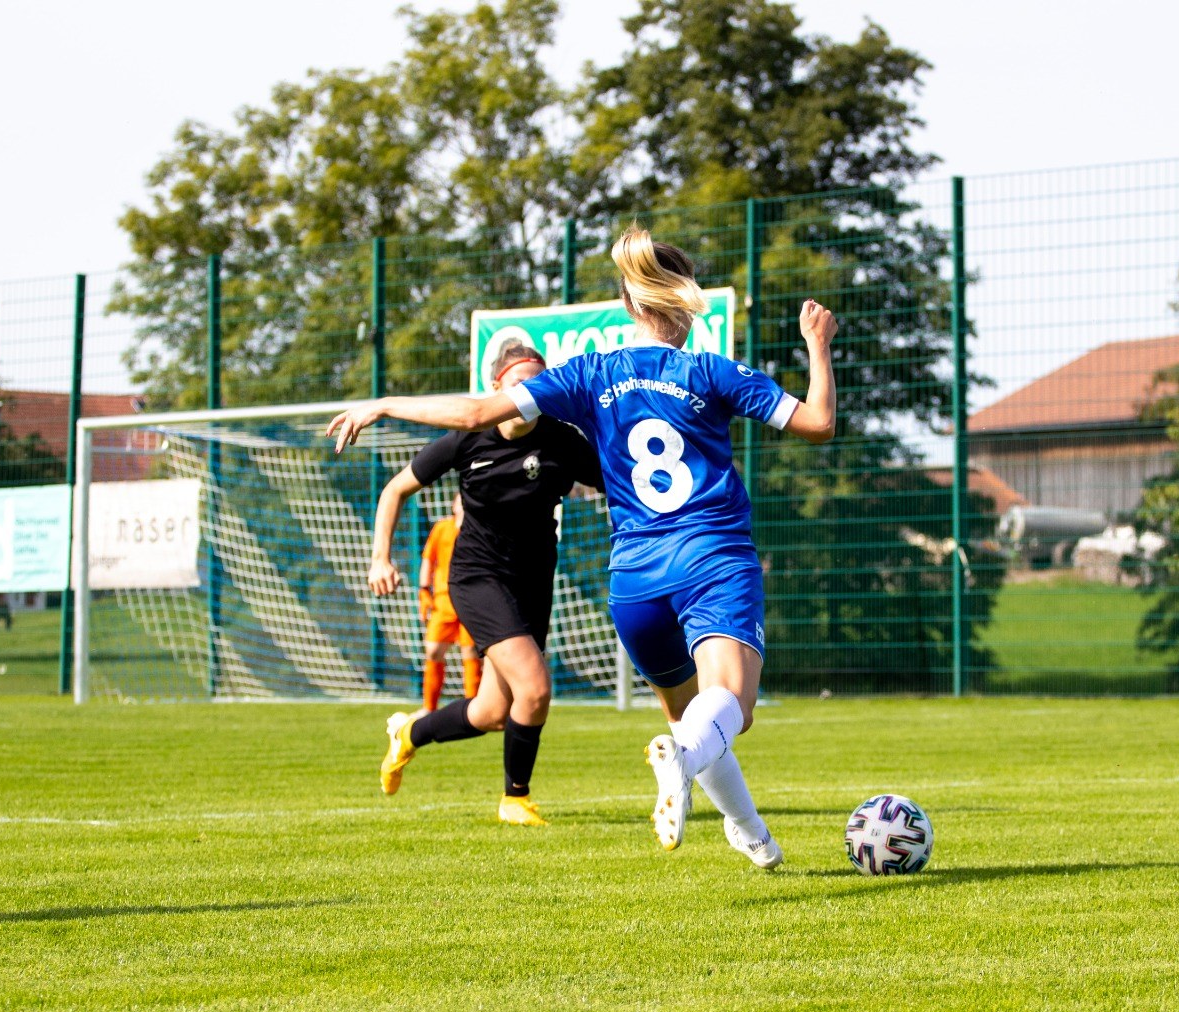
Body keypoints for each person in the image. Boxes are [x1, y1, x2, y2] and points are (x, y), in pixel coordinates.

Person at [326, 227, 837, 868]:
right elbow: (818, 423)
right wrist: (818, 346)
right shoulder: (713, 371)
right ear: (685, 305)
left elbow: (475, 413)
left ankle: (751, 833)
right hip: (710, 557)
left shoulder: (592, 373)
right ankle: (681, 764)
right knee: (731, 706)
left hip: (635, 582)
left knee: (693, 719)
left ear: (629, 306)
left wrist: (383, 403)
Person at [359, 344, 603, 827]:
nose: (529, 392)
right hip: (478, 577)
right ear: (497, 388)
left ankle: (409, 733)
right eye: (519, 383)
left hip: (533, 583)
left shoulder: (563, 440)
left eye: (538, 383)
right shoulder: (467, 439)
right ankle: (515, 798)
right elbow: (395, 490)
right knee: (534, 689)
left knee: (493, 711)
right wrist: (380, 558)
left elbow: (622, 485)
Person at [418, 493, 484, 711]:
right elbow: (428, 559)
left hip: (471, 601)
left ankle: (474, 709)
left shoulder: (478, 531)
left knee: (471, 652)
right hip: (444, 601)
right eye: (459, 501)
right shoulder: (442, 528)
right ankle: (429, 708)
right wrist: (424, 590)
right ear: (454, 505)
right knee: (433, 650)